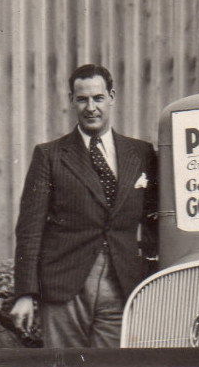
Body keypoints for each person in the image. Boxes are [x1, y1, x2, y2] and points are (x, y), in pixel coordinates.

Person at [10, 63, 158, 348]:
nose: (91, 107)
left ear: (112, 97)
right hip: (65, 287)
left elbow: (155, 222)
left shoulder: (140, 153)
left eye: (98, 98)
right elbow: (29, 230)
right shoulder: (50, 156)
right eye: (82, 99)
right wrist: (25, 293)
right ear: (71, 101)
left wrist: (150, 279)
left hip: (122, 285)